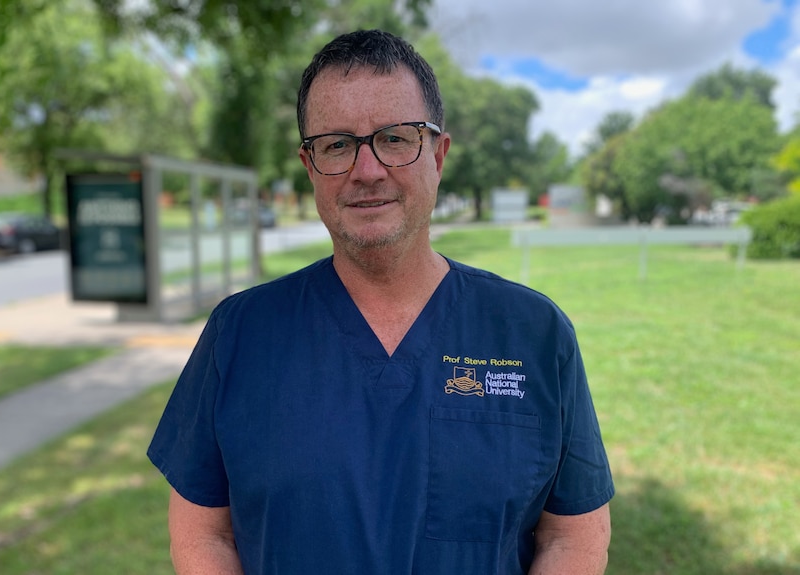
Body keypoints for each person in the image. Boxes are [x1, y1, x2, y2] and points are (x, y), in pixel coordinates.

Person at [148, 29, 614, 574]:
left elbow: (572, 539)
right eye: (337, 144)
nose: (367, 171)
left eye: (395, 137)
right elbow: (204, 533)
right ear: (309, 166)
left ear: (438, 154)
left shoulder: (533, 333)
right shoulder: (240, 333)